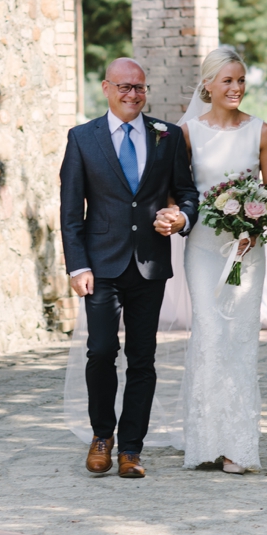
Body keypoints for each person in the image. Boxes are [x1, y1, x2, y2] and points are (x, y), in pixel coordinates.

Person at [59, 58, 198, 479]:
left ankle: (131, 450)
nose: (132, 94)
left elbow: (187, 193)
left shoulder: (167, 136)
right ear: (106, 87)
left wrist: (181, 218)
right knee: (101, 351)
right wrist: (77, 265)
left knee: (143, 358)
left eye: (139, 87)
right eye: (124, 87)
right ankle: (103, 436)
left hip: (149, 263)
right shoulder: (83, 138)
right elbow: (70, 211)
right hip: (100, 267)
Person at [177, 46, 267, 474]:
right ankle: (205, 442)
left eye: (240, 81)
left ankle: (238, 446)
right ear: (208, 85)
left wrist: (252, 227)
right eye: (227, 81)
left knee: (239, 339)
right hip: (202, 248)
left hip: (246, 251)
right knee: (210, 335)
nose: (235, 88)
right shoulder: (187, 133)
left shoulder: (261, 131)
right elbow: (179, 190)